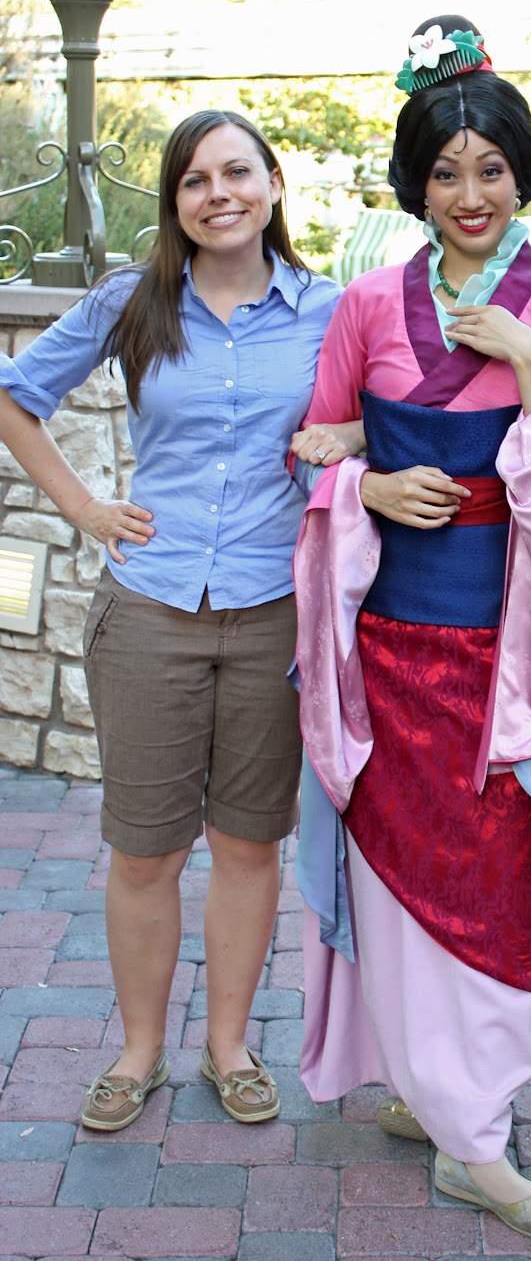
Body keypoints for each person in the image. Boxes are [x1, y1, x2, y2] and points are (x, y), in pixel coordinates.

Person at [289, 23, 531, 1244]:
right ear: (414, 184)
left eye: (490, 168)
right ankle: (454, 1124)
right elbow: (314, 446)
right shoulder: (367, 306)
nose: (470, 193)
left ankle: (467, 1119)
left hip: (511, 659)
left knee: (493, 883)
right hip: (390, 648)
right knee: (397, 878)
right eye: (445, 170)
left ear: (521, 173)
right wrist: (365, 490)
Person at [0, 110, 340, 1131]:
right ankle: (138, 1048)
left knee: (247, 845)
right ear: (175, 203)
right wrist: (87, 508)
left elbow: (401, 408)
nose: (218, 192)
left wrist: (349, 430)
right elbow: (17, 398)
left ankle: (227, 1047)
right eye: (194, 180)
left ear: (274, 184)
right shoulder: (132, 301)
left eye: (238, 171)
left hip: (276, 612)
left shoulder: (331, 309)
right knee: (143, 850)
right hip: (150, 610)